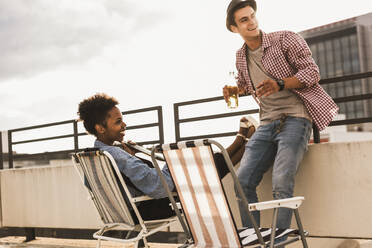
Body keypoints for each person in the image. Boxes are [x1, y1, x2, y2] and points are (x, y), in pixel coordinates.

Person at [223, 0, 338, 233]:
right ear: (234, 28)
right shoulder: (240, 55)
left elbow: (312, 72)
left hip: (296, 117)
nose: (252, 22)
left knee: (282, 181)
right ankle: (251, 237)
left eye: (252, 16)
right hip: (266, 123)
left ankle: (280, 240)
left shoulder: (285, 38)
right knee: (242, 181)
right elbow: (246, 84)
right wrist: (234, 91)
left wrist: (281, 84)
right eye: (244, 20)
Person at [77, 93, 257, 221]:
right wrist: (174, 163)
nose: (124, 124)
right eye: (118, 122)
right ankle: (242, 142)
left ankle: (243, 143)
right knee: (204, 172)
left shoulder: (93, 156)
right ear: (100, 128)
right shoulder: (116, 154)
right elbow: (158, 186)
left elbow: (104, 184)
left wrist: (132, 157)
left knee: (207, 172)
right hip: (150, 209)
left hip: (124, 213)